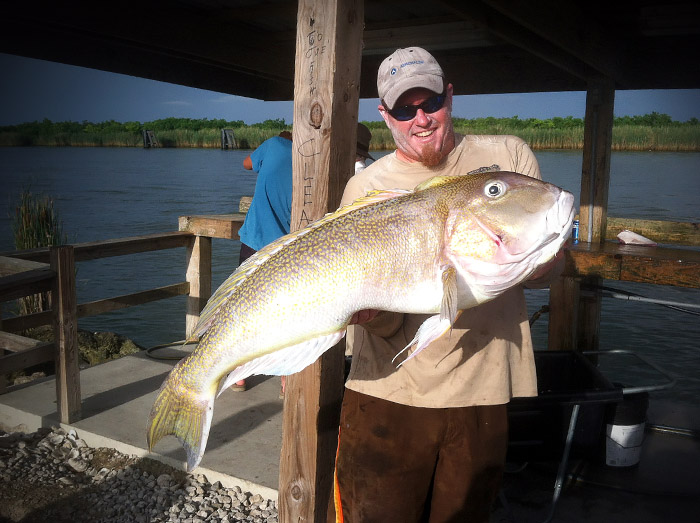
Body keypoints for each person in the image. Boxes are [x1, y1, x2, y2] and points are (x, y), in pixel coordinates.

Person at [330, 47, 564, 522]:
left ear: (449, 95)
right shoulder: (365, 189)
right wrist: (371, 315)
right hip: (388, 392)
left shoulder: (507, 158)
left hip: (483, 390)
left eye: (430, 102)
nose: (420, 118)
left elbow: (551, 268)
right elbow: (383, 318)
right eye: (403, 108)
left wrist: (532, 258)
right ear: (385, 115)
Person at [233, 130, 293, 392]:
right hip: (287, 249)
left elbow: (246, 163)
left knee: (244, 308)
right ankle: (285, 379)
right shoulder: (308, 156)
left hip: (255, 242)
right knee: (286, 313)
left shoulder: (273, 145)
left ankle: (240, 375)